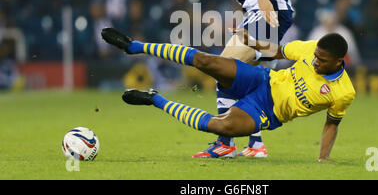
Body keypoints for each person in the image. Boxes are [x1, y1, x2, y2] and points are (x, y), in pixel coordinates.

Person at [101, 27, 356, 162]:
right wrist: (252, 41)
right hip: (262, 79)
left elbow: (331, 124)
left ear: (338, 61)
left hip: (267, 111)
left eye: (321, 61)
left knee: (219, 125)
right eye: (315, 56)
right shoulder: (311, 48)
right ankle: (134, 47)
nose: (315, 62)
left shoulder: (343, 92)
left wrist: (323, 158)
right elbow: (279, 51)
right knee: (204, 60)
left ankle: (154, 99)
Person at [172, 0, 294, 158]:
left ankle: (225, 142)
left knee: (224, 68)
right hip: (267, 13)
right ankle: (255, 144)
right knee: (249, 79)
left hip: (267, 12)